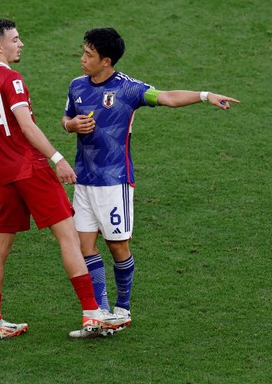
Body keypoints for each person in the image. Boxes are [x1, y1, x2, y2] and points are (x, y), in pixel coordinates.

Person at [0, 19, 130, 340]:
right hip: (31, 170)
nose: (21, 44)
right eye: (16, 39)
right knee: (69, 237)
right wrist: (57, 159)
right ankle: (92, 313)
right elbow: (27, 126)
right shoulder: (12, 80)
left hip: (4, 180)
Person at [62, 27, 239, 337]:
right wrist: (71, 125)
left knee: (118, 245)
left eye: (89, 55)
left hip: (115, 182)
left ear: (106, 61)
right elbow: (66, 120)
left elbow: (167, 98)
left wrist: (205, 95)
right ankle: (102, 315)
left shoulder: (129, 89)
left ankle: (123, 309)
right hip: (84, 180)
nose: (82, 59)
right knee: (84, 246)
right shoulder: (76, 86)